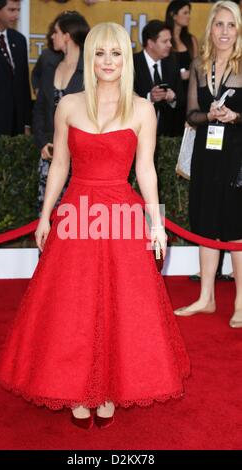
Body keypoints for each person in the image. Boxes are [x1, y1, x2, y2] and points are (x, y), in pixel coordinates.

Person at [0, 22, 190, 429]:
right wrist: (46, 214)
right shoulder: (68, 105)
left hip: (120, 215)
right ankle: (76, 386)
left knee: (121, 307)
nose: (107, 61)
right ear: (89, 58)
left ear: (125, 58)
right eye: (100, 53)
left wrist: (156, 223)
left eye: (116, 53)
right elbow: (60, 165)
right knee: (73, 307)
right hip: (75, 216)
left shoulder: (141, 109)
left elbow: (146, 171)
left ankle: (108, 389)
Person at [174, 2, 242, 328]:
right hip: (207, 152)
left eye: (231, 25)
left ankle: (241, 302)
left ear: (239, 29)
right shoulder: (200, 66)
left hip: (238, 156)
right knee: (205, 222)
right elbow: (190, 114)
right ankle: (206, 297)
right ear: (210, 28)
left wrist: (236, 116)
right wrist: (211, 115)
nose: (225, 32)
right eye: (219, 25)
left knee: (236, 227)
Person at [33, 11, 89, 215]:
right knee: (46, 214)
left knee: (75, 219)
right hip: (49, 155)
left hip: (79, 158)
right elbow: (39, 110)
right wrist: (42, 142)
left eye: (56, 32)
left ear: (67, 36)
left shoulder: (90, 73)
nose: (52, 37)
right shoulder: (50, 67)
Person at [0, 0, 31, 136]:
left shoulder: (19, 40)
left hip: (17, 130)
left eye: (18, 10)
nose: (16, 15)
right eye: (11, 10)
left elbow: (23, 84)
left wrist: (27, 123)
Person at [133, 20, 183, 137]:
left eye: (170, 40)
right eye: (165, 41)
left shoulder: (172, 62)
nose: (170, 45)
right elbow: (125, 98)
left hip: (167, 137)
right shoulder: (132, 63)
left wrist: (173, 98)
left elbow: (182, 98)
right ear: (150, 43)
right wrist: (150, 97)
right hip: (138, 134)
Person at [165, 0, 198, 135]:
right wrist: (179, 76)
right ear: (173, 15)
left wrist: (191, 74)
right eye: (185, 13)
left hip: (188, 90)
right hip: (170, 92)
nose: (188, 16)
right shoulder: (166, 40)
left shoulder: (191, 40)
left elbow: (198, 66)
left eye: (189, 13)